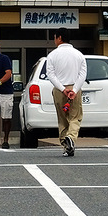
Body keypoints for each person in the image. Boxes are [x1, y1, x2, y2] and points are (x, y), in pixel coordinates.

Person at [46, 28, 87, 157]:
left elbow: (50, 74)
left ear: (59, 38)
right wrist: (74, 90)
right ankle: (71, 138)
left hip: (59, 90)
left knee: (62, 119)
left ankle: (66, 144)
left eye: (54, 38)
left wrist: (63, 89)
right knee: (75, 117)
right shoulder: (79, 54)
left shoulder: (52, 55)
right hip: (74, 88)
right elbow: (83, 74)